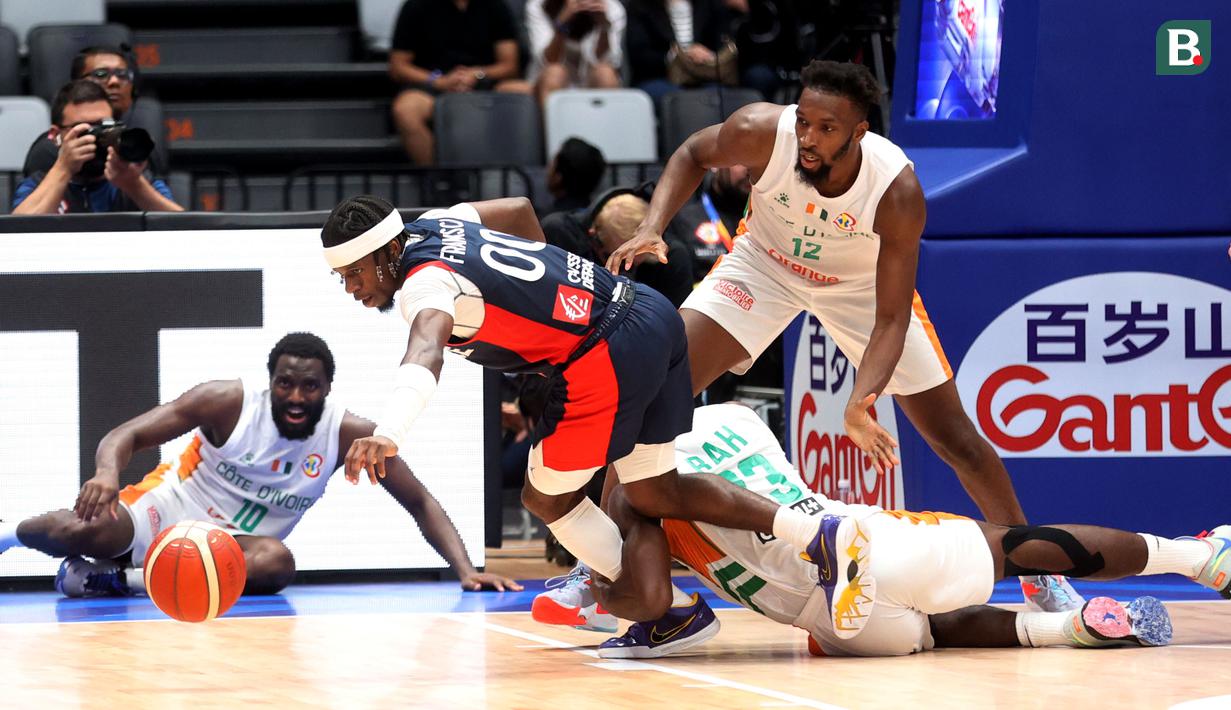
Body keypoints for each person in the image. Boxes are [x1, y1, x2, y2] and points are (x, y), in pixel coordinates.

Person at [604, 59, 1080, 612]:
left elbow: (892, 319)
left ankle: (1039, 570)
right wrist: (651, 225)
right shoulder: (761, 131)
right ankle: (608, 561)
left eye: (826, 128)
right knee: (643, 393)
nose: (808, 137)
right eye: (804, 121)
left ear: (860, 132)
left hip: (857, 285)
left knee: (955, 439)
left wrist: (861, 400)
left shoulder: (895, 188)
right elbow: (692, 153)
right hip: (764, 265)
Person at [318, 195, 847, 621]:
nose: (351, 288)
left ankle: (657, 606)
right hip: (648, 310)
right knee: (653, 490)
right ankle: (817, 534)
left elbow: (426, 350)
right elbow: (521, 210)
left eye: (355, 272)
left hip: (602, 355)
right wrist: (550, 292)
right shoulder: (440, 221)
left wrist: (389, 433)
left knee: (545, 496)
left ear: (388, 252)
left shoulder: (423, 285)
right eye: (341, 279)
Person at [553, 403, 1229, 658]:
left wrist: (601, 583)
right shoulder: (731, 415)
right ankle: (1196, 557)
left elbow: (644, 595)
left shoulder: (631, 496)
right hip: (867, 540)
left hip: (839, 622)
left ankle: (1063, 631)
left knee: (929, 631)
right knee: (1016, 550)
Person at [0, 333, 518, 596]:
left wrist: (466, 570)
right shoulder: (226, 401)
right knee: (78, 526)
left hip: (230, 549)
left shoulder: (348, 434)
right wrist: (108, 473)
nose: (295, 397)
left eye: (309, 386)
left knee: (277, 562)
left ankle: (115, 583)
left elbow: (420, 500)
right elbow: (128, 434)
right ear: (270, 381)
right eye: (285, 384)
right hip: (163, 512)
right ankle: (8, 534)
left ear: (327, 390)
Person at [387, 0, 532, 165]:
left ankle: (533, 176)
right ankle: (439, 180)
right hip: (433, 86)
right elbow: (398, 67)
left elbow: (510, 65)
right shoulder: (415, 6)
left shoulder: (496, 6)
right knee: (405, 110)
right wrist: (439, 81)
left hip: (485, 83)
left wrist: (477, 74)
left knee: (528, 93)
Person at [11, 80, 182, 215]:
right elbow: (17, 235)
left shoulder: (135, 178)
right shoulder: (38, 183)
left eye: (104, 126)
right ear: (55, 135)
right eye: (87, 128)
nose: (97, 136)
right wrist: (63, 169)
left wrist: (134, 185)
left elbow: (186, 231)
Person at [21, 45, 167, 178]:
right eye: (101, 74)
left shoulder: (137, 144)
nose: (114, 82)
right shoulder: (51, 149)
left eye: (122, 75)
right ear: (78, 85)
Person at [543, 186, 695, 306]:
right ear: (593, 236)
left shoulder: (671, 256)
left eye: (638, 260)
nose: (626, 271)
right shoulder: (561, 235)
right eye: (622, 262)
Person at [625, 0, 731, 103]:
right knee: (680, 100)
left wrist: (706, 54)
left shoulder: (709, 3)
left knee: (720, 95)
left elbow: (722, 41)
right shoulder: (639, 6)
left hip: (705, 74)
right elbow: (639, 55)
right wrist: (678, 56)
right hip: (659, 76)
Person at [526, 0, 625, 106]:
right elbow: (548, 61)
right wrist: (562, 24)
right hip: (549, 84)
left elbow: (607, 62)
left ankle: (606, 121)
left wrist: (603, 27)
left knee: (605, 74)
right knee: (555, 73)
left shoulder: (611, 7)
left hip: (591, 83)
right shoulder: (538, 5)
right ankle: (552, 122)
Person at [545, 137, 608, 214]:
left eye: (552, 163)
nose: (548, 169)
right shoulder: (601, 219)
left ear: (558, 177)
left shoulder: (543, 222)